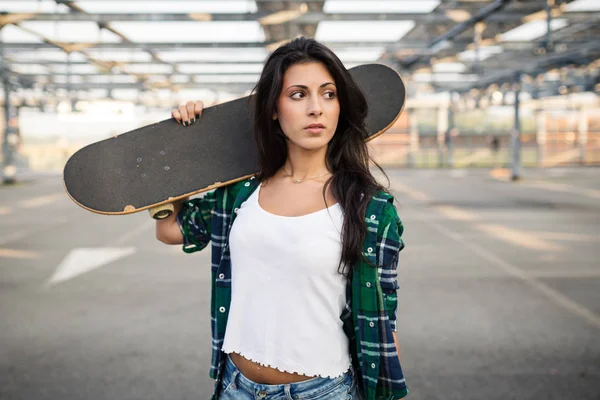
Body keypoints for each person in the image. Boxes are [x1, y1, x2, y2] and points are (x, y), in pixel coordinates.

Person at [156, 37, 408, 400]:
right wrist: (185, 148)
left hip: (323, 391)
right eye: (298, 95)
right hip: (235, 387)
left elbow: (384, 319)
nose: (316, 108)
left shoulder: (370, 207)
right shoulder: (239, 194)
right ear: (274, 108)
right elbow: (169, 229)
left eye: (328, 94)